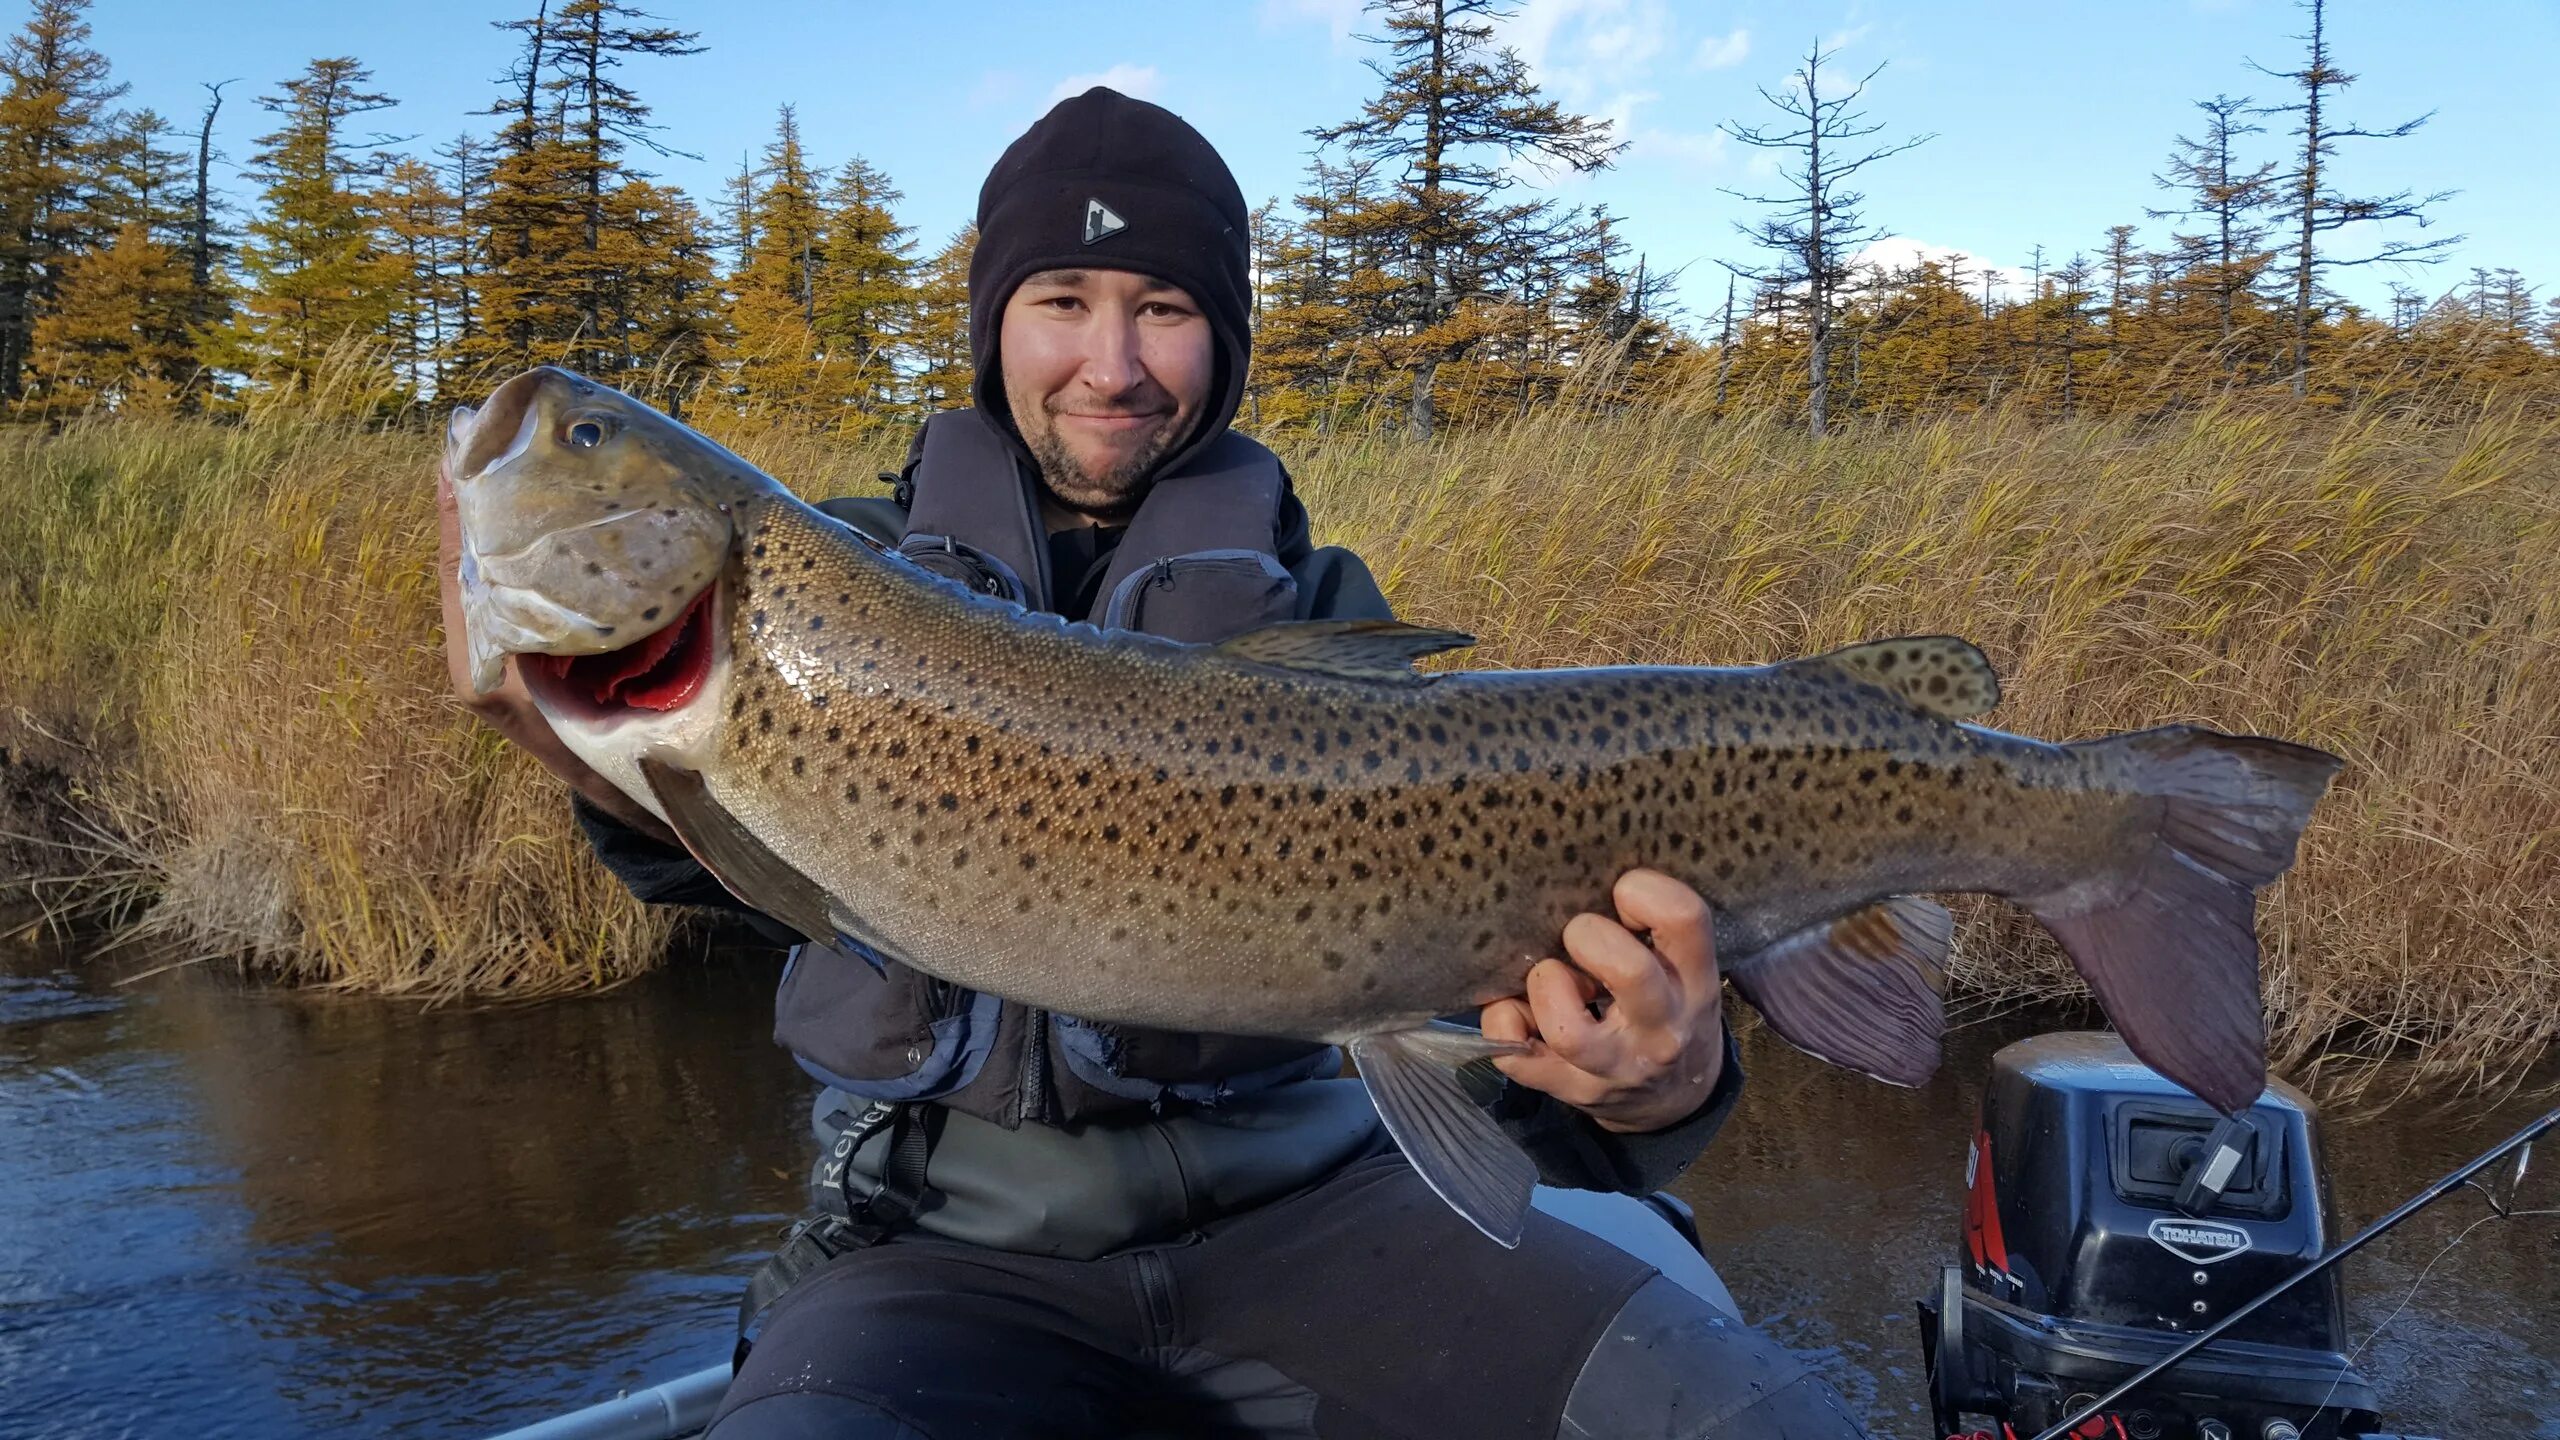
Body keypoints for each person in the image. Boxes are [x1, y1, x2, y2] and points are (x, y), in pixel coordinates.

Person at [440, 88, 1866, 1440]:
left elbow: (1490, 1056)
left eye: (1164, 310)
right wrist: (585, 743)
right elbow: (735, 875)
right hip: (932, 1263)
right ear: (996, 326)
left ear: (1223, 340)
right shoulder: (841, 578)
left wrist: (1657, 1088)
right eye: (1062, 303)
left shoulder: (1327, 619)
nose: (1110, 366)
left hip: (1332, 1226)